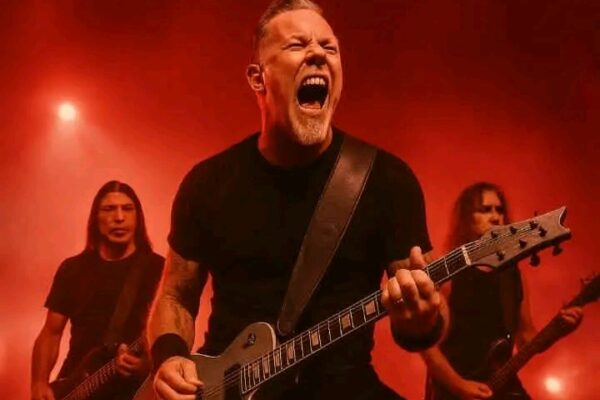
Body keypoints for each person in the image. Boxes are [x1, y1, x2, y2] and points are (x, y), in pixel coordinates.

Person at [146, 1, 447, 399]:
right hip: (227, 388)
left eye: (329, 47)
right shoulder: (208, 182)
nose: (318, 54)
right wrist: (169, 357)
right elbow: (175, 295)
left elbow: (427, 314)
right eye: (297, 45)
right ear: (258, 78)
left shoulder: (387, 180)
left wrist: (422, 319)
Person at [421, 182, 583, 400]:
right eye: (485, 210)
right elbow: (427, 344)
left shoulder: (513, 275)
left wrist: (558, 330)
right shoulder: (450, 272)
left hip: (500, 384)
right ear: (467, 218)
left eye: (499, 210)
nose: (495, 217)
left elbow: (525, 339)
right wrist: (459, 386)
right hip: (453, 389)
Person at [31, 181, 164, 400]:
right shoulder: (72, 269)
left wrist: (149, 365)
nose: (119, 217)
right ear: (95, 218)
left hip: (132, 392)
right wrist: (38, 382)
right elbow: (51, 333)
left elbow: (172, 329)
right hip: (76, 387)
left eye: (127, 209)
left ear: (138, 218)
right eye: (109, 209)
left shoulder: (158, 269)